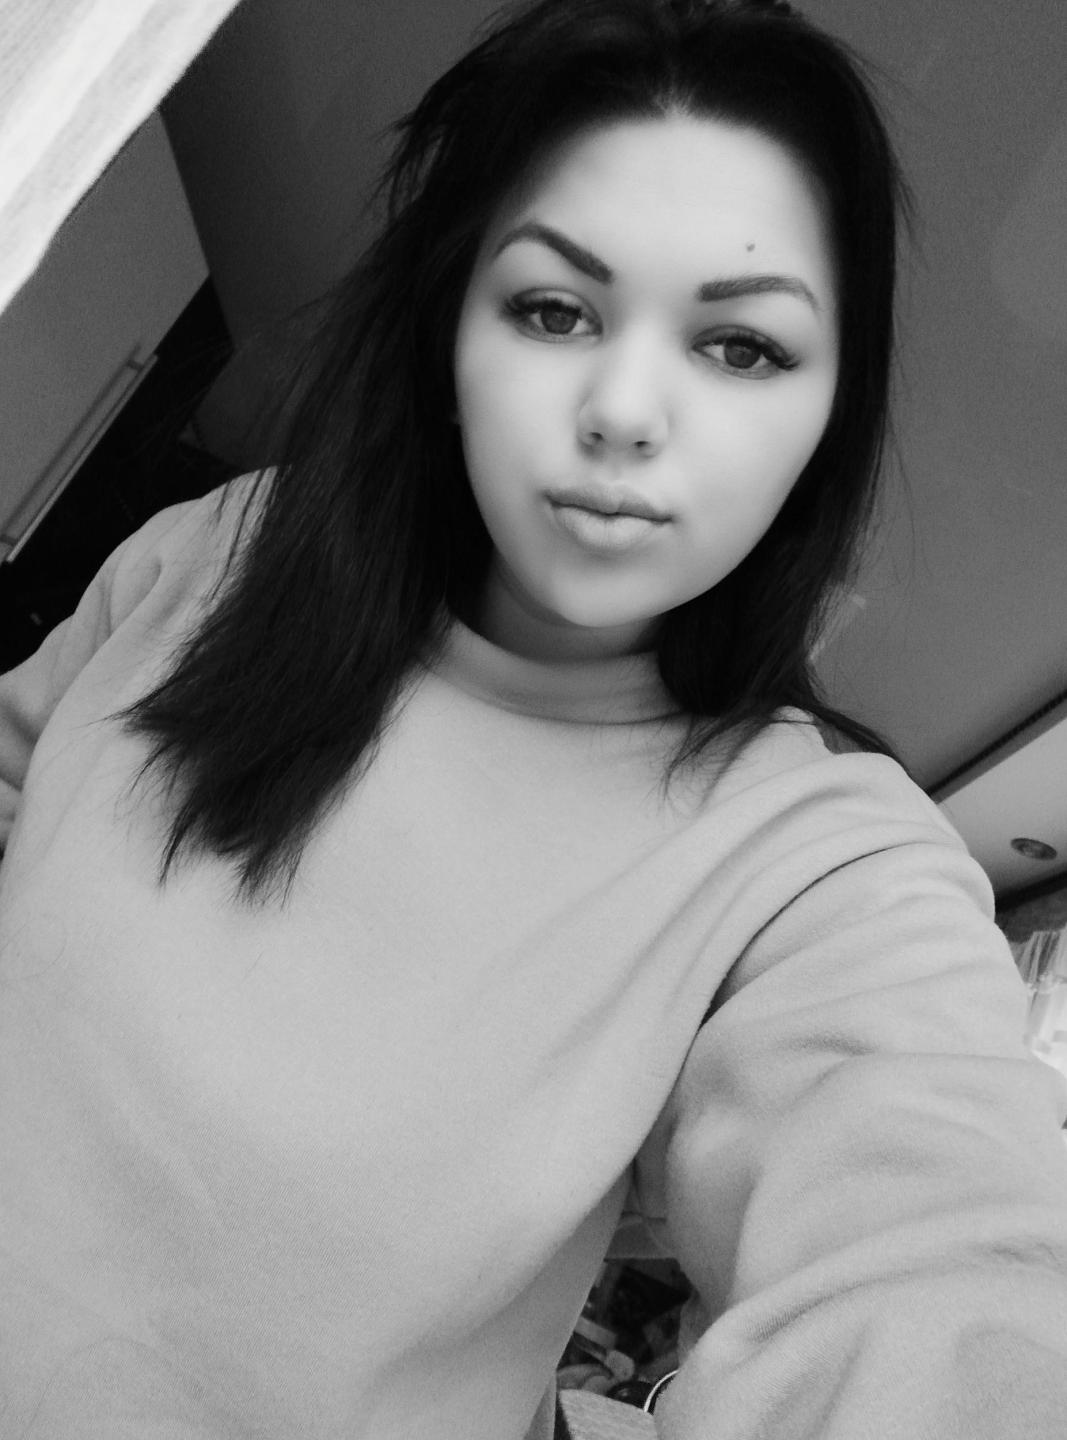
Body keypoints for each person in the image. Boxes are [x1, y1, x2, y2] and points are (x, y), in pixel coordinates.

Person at [1, 0, 1066, 1436]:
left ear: (828, 417)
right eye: (555, 311)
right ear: (451, 336)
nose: (624, 410)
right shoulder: (229, 547)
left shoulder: (823, 865)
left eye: (742, 346)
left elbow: (943, 1272)